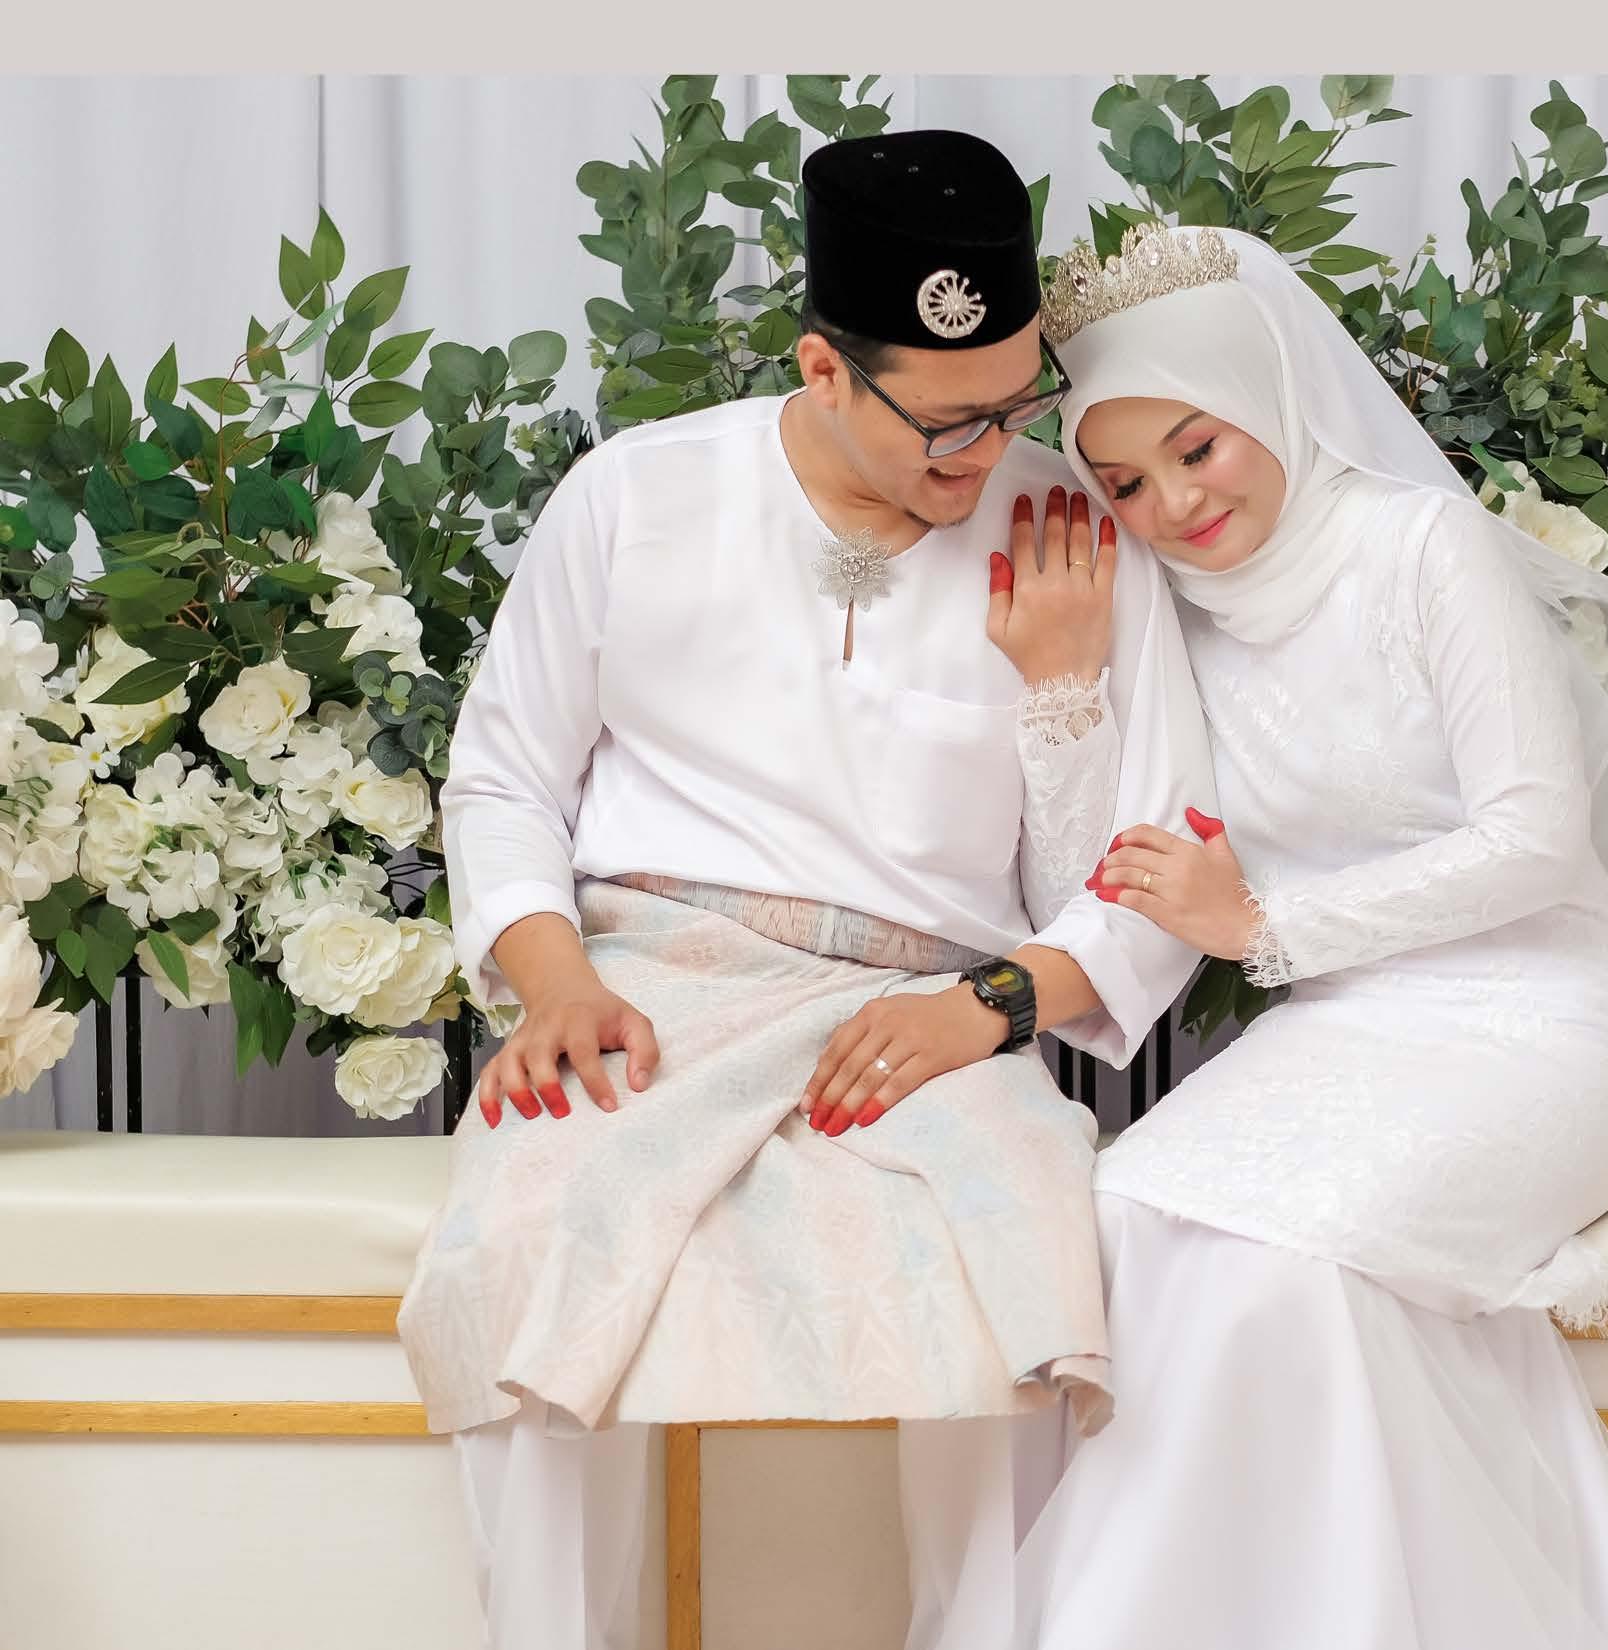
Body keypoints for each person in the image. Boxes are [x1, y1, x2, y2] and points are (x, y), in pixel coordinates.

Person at [394, 132, 1214, 1650]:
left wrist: (993, 980)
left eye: (1018, 403)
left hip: (929, 1012)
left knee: (1025, 1254)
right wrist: (556, 981)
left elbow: (1142, 870)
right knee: (535, 1228)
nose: (989, 454)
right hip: (647, 978)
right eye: (947, 423)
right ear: (823, 368)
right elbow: (502, 778)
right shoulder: (636, 494)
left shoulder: (1074, 529)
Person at [901, 223, 1608, 1650]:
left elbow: (1536, 838)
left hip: (1541, 1027)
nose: (1175, 505)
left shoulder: (1422, 549)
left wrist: (1268, 922)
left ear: (1267, 392)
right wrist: (1062, 685)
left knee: (1291, 1267)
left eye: (1198, 447)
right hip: (1346, 1028)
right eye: (1126, 483)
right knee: (1112, 1229)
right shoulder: (1169, 603)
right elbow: (1112, 875)